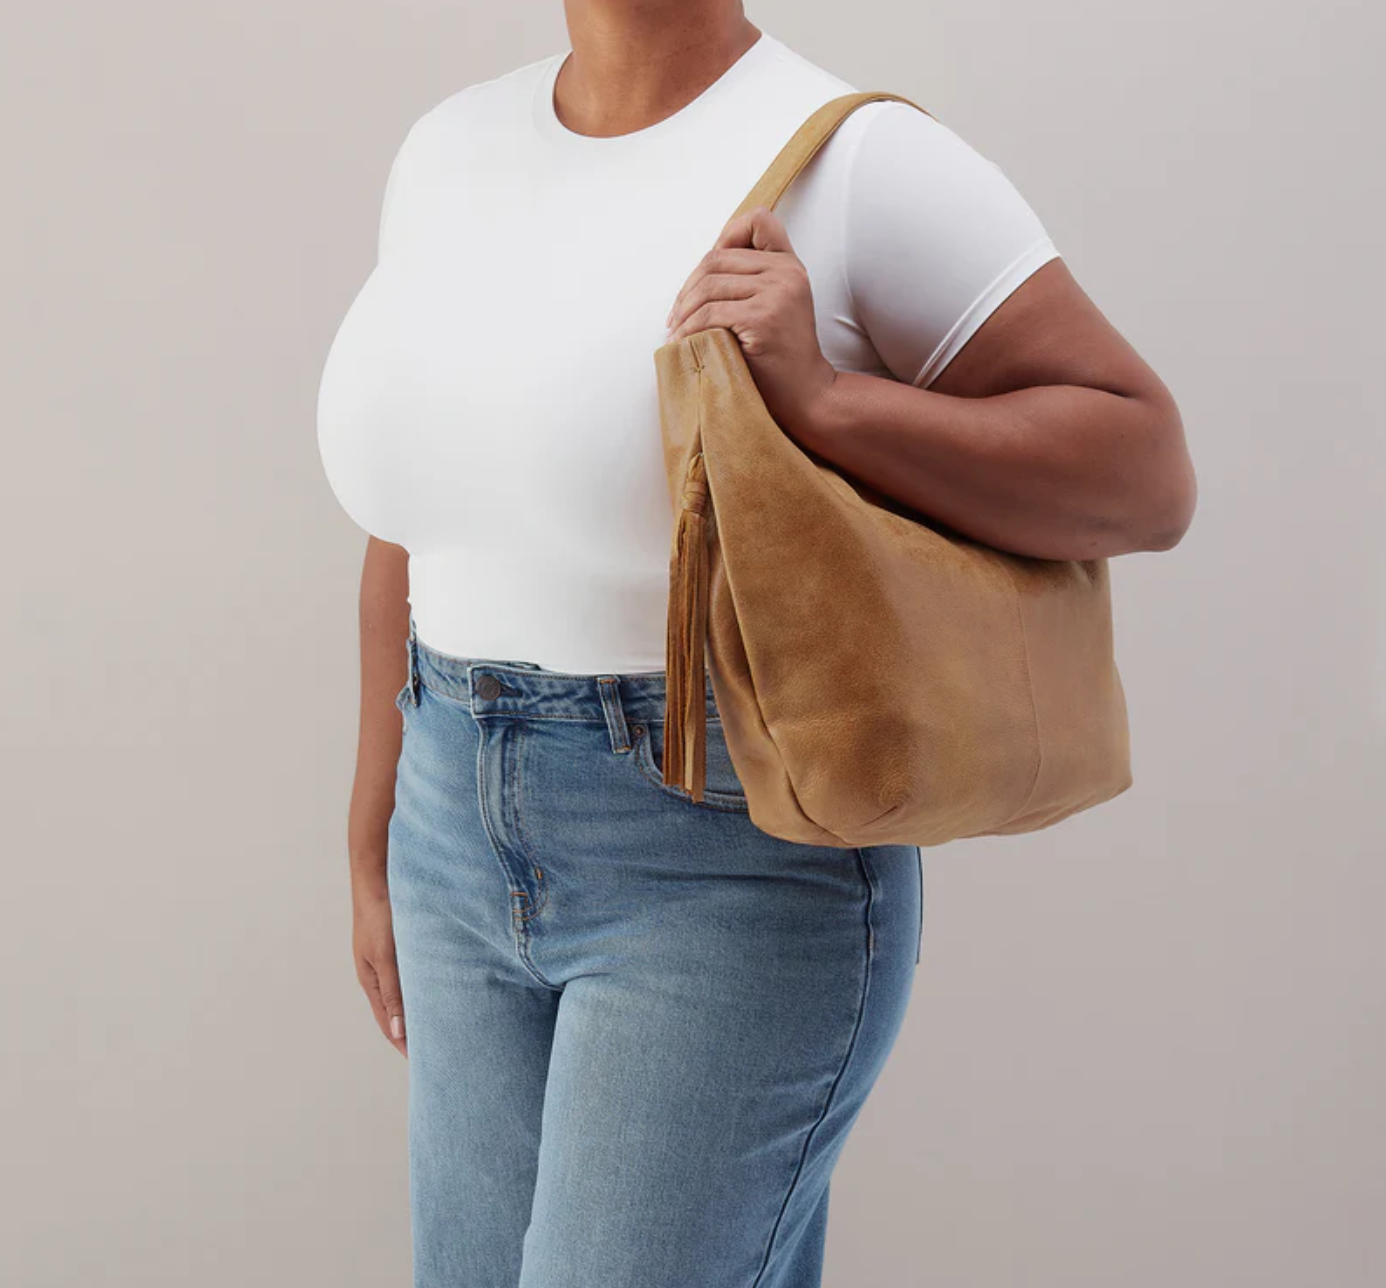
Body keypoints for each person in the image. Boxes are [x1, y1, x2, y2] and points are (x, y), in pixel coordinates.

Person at [315, 4, 1195, 1285]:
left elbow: (1146, 472)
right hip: (448, 830)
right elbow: (413, 517)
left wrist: (827, 402)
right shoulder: (447, 151)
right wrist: (376, 831)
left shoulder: (852, 161)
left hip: (721, 859)